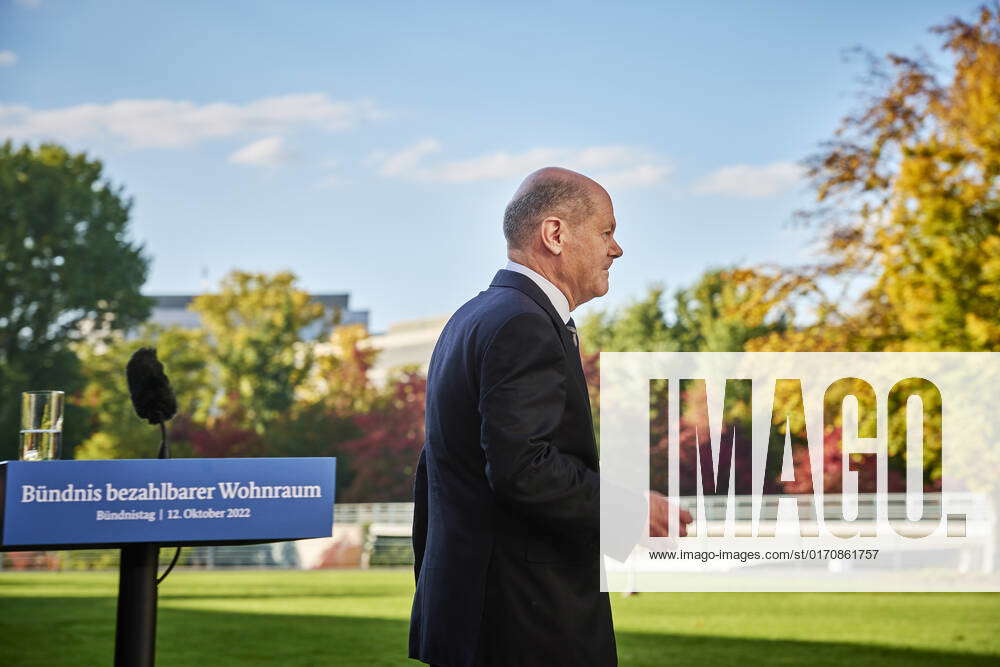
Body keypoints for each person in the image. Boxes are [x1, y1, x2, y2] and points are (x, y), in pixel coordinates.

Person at [409, 167, 686, 666]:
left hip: (473, 616)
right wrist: (629, 510)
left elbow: (437, 469)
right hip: (525, 626)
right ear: (555, 234)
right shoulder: (523, 324)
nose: (616, 249)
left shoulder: (472, 318)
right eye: (607, 231)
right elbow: (524, 469)